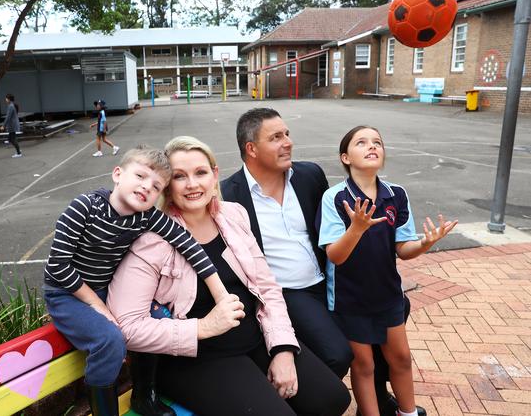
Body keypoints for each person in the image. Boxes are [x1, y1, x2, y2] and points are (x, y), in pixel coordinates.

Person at [108, 136, 351, 416]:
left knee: (332, 398)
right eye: (179, 176)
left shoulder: (233, 216)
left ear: (214, 175)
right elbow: (127, 325)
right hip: (196, 357)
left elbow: (267, 287)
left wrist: (282, 348)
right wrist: (202, 327)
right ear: (167, 185)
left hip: (254, 338)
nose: (192, 184)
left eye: (200, 172)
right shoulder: (152, 241)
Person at [220, 108, 425, 416]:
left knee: (394, 309)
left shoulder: (309, 175)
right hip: (288, 290)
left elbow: (331, 231)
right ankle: (297, 396)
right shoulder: (229, 194)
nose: (288, 142)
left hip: (326, 279)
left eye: (287, 134)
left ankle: (378, 399)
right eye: (276, 137)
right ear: (251, 148)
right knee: (338, 352)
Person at [44, 146, 229, 416]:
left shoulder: (147, 216)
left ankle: (145, 395)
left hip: (103, 290)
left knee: (156, 317)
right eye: (140, 176)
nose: (146, 188)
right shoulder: (85, 206)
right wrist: (101, 308)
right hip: (66, 294)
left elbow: (188, 244)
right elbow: (57, 267)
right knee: (110, 339)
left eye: (156, 186)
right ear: (118, 174)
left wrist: (220, 293)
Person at [316, 126, 457, 416]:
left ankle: (407, 413)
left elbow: (403, 251)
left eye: (377, 142)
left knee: (402, 359)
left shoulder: (396, 195)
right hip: (348, 298)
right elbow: (335, 256)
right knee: (364, 365)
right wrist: (356, 228)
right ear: (346, 156)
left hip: (388, 294)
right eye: (362, 142)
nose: (372, 146)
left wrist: (425, 244)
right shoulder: (335, 197)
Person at [2, 93, 22, 158]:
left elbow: (8, 117)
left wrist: (3, 126)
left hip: (12, 125)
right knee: (11, 139)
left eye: (6, 98)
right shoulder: (12, 105)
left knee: (12, 139)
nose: (5, 99)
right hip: (13, 124)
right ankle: (18, 150)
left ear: (9, 99)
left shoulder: (11, 106)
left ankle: (18, 153)